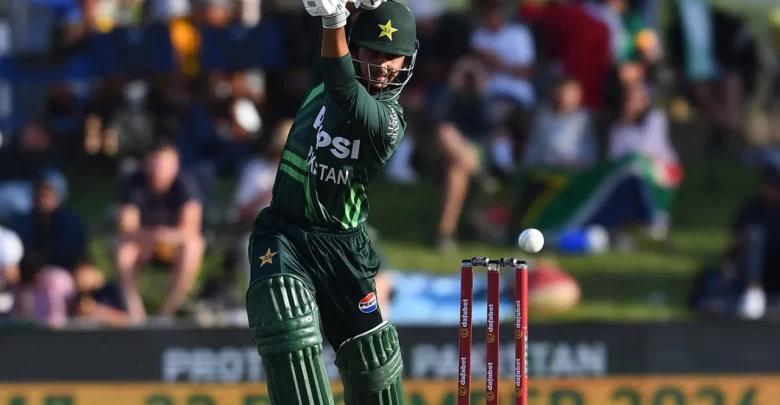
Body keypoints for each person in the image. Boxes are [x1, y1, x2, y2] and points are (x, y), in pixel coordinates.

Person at [245, 0, 416, 404]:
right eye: (374, 53)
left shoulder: (388, 121)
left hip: (342, 246)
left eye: (393, 57)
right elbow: (331, 60)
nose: (384, 66)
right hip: (285, 230)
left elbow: (344, 89)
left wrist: (336, 17)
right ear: (354, 50)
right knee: (286, 322)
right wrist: (349, 7)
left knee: (372, 361)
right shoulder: (325, 70)